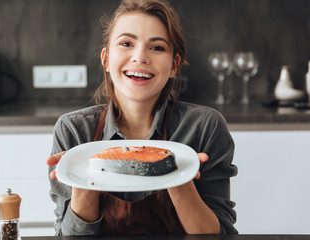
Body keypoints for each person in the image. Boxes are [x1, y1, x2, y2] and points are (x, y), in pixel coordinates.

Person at [47, 0, 238, 236]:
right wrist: (84, 181)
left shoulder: (204, 127)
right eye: (126, 43)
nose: (140, 57)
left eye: (157, 47)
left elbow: (221, 235)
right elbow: (64, 235)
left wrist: (180, 174)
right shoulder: (74, 131)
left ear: (173, 66)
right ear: (106, 59)